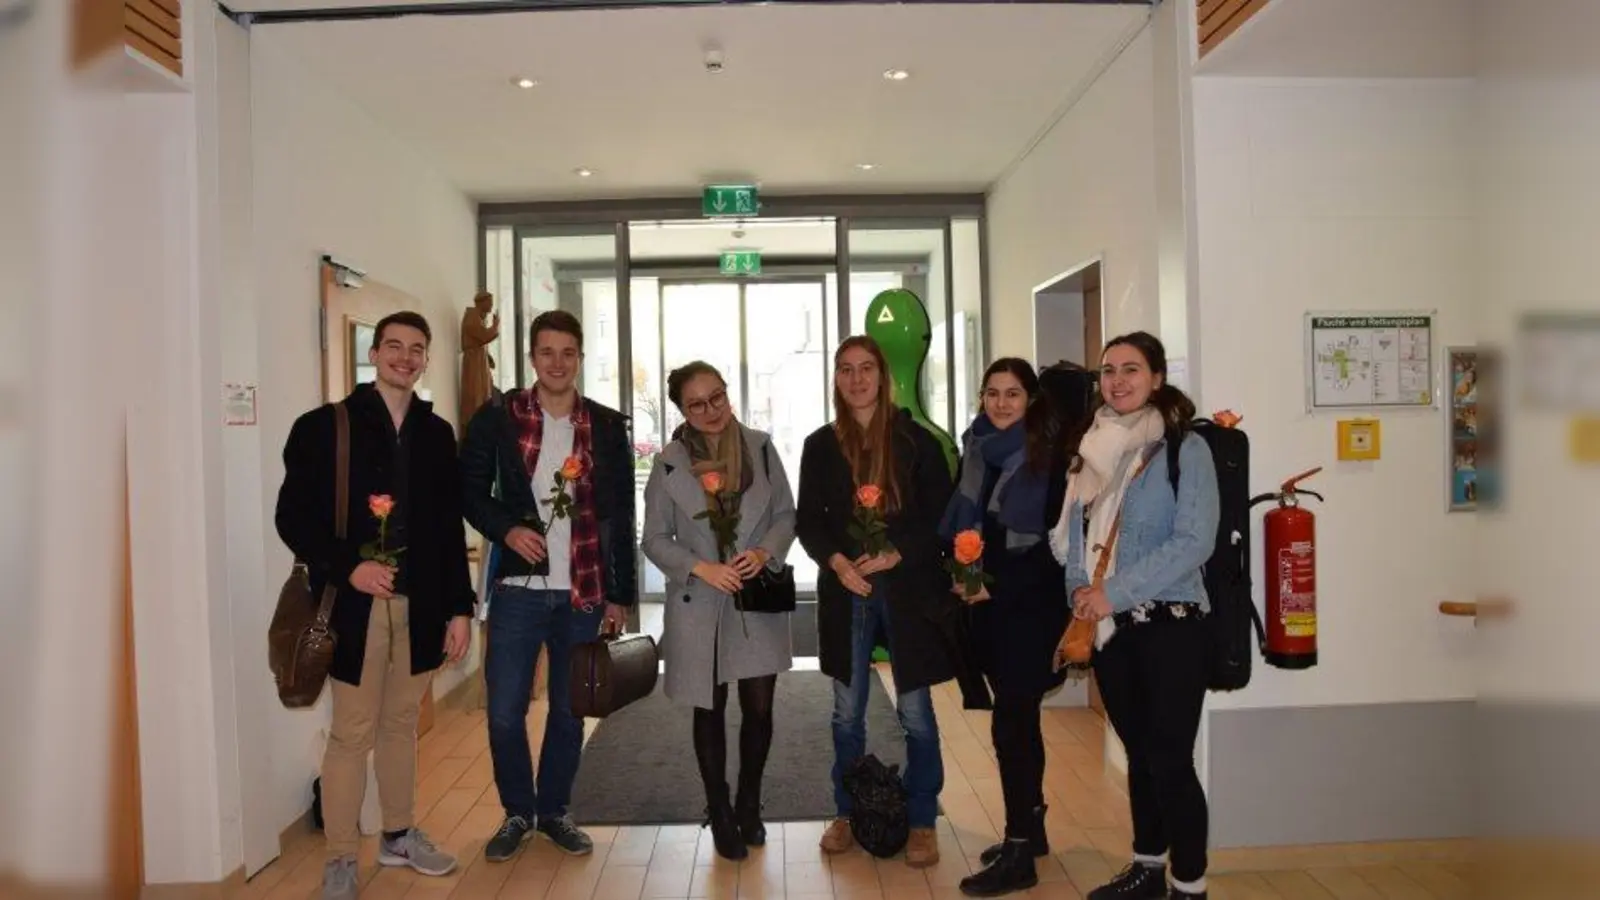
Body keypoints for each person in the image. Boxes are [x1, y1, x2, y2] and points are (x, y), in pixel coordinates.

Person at [275, 311, 474, 900]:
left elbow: (447, 528)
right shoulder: (323, 427)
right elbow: (292, 518)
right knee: (351, 733)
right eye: (394, 346)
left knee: (401, 726)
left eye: (417, 349)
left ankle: (398, 834)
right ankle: (340, 856)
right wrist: (348, 568)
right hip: (353, 609)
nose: (405, 358)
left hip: (422, 606)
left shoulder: (436, 434)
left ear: (426, 359)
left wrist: (460, 609)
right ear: (374, 353)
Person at [459, 309, 635, 863]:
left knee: (568, 710)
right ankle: (518, 811)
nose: (557, 363)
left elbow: (621, 512)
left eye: (567, 353)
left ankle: (555, 810)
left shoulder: (605, 425)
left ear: (579, 358)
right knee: (504, 711)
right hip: (518, 589)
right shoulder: (498, 417)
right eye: (546, 352)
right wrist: (507, 529)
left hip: (583, 591)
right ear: (532, 357)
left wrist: (621, 593)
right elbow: (468, 491)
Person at [1048, 331, 1219, 900]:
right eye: (1108, 370)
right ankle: (1148, 867)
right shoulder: (1092, 447)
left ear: (1157, 378)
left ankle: (1189, 885)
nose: (1117, 380)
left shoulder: (1185, 449)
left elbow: (1194, 541)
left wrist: (1112, 593)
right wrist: (1080, 590)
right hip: (1112, 632)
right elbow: (1077, 532)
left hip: (1172, 625)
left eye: (1131, 369)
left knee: (1170, 760)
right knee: (1139, 757)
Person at [796, 335, 958, 868]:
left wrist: (896, 553)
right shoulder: (820, 445)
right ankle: (847, 811)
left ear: (883, 376)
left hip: (906, 589)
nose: (857, 379)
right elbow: (809, 521)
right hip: (848, 590)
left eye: (866, 368)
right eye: (845, 369)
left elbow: (939, 515)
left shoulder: (916, 441)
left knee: (915, 713)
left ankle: (922, 819)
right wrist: (837, 563)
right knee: (847, 713)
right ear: (835, 379)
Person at [641, 361, 797, 861]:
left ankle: (749, 801)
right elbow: (653, 539)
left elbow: (785, 514)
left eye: (718, 397)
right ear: (682, 411)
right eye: (697, 404)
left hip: (754, 598)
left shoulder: (760, 448)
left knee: (760, 708)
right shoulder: (668, 464)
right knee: (708, 707)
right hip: (700, 600)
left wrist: (765, 552)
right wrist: (700, 567)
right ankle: (720, 810)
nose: (711, 410)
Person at [939, 358, 1076, 897]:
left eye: (1012, 394)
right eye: (992, 392)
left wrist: (994, 585)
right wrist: (962, 574)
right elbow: (964, 526)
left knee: (1011, 729)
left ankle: (1019, 851)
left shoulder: (1052, 459)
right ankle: (1031, 830)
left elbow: (1055, 550)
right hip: (988, 611)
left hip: (1031, 611)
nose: (1000, 403)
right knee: (1022, 726)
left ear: (1031, 400)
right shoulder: (976, 448)